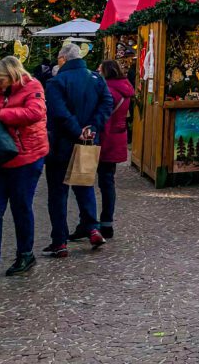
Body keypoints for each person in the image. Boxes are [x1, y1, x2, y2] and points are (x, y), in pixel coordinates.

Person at [0, 55, 49, 288]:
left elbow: (35, 113)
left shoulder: (32, 86)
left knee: (21, 206)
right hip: (0, 157)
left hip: (26, 157)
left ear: (12, 74)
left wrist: (1, 115)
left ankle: (25, 254)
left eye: (1, 80)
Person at [43, 42, 113, 256]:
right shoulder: (96, 78)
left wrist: (76, 129)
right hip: (87, 141)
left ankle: (60, 241)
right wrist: (92, 127)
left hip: (61, 144)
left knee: (58, 193)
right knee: (84, 186)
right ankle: (92, 228)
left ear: (63, 59)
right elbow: (107, 102)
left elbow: (58, 111)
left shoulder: (56, 81)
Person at [70, 60, 134, 241]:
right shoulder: (125, 89)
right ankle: (107, 223)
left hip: (99, 139)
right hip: (116, 139)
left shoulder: (107, 90)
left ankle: (88, 223)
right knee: (107, 183)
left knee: (83, 182)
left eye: (99, 69)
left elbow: (98, 114)